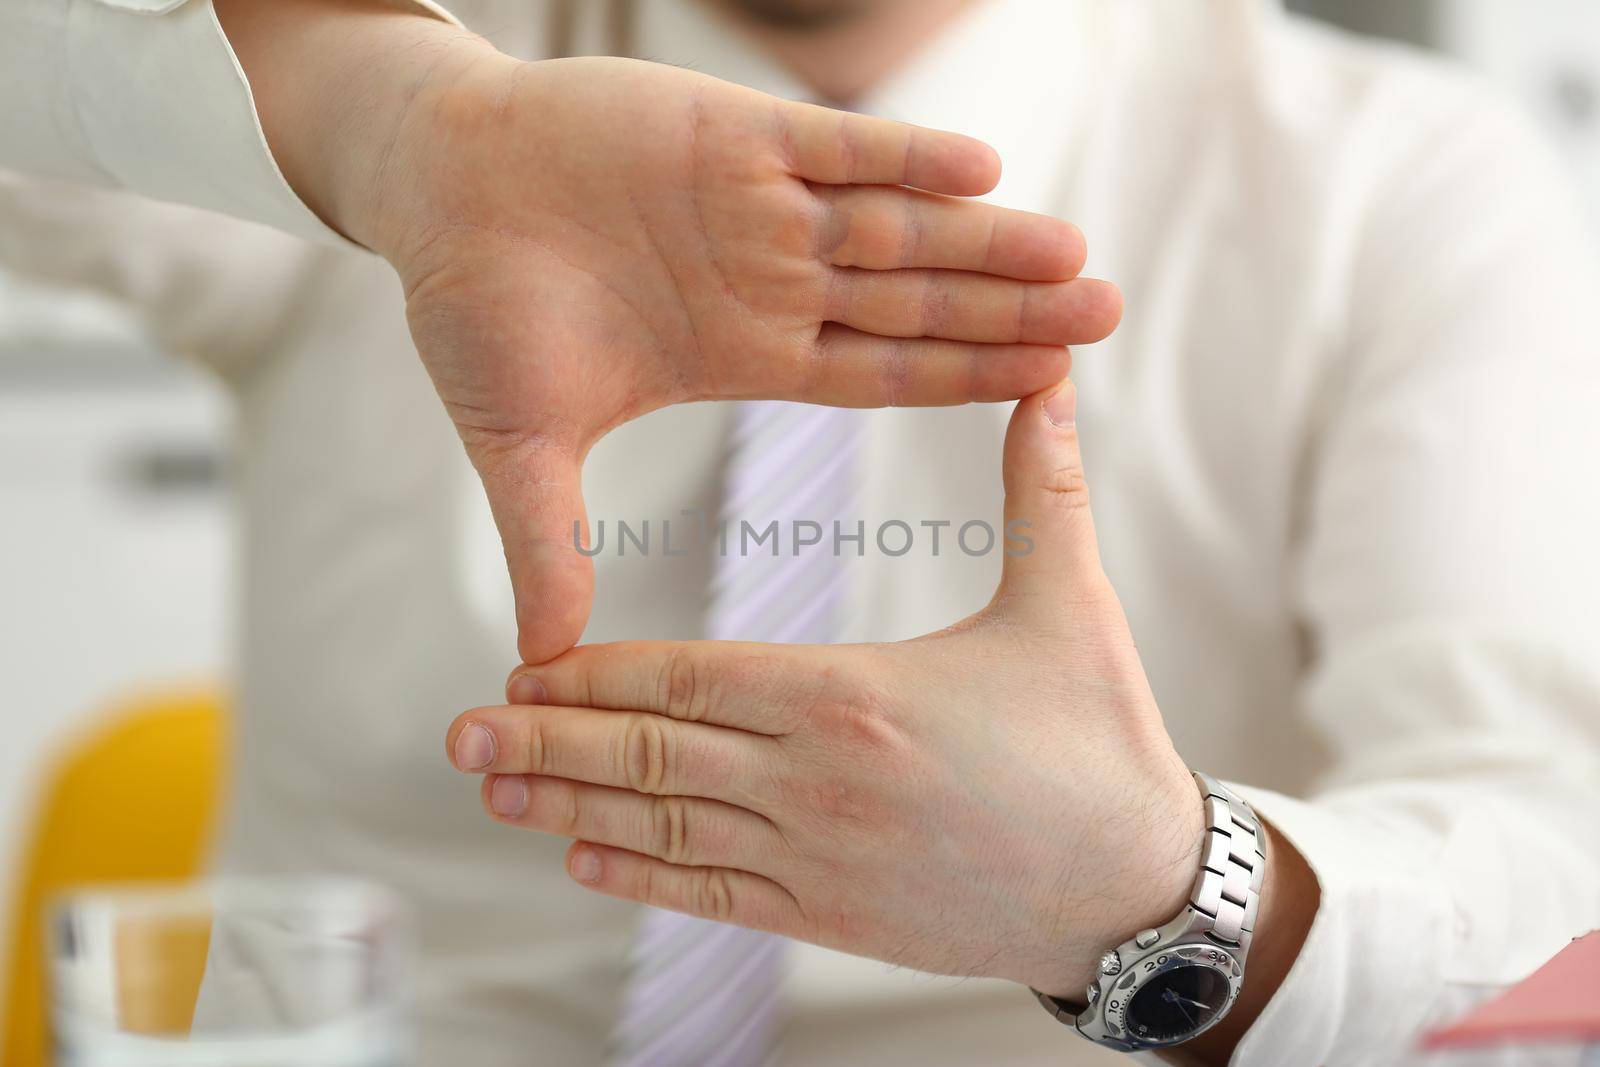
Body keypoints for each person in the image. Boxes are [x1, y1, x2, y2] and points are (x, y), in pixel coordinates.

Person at [3, 0, 1598, 1064]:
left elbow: (1541, 826)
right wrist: (387, 116)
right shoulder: (377, 84)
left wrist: (1155, 884)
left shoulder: (1395, 183)